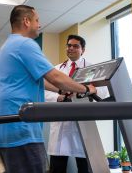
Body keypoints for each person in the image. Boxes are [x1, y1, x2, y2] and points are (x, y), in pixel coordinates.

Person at [0, 5, 97, 173]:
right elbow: (55, 77)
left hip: (8, 126)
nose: (39, 24)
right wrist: (86, 89)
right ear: (26, 21)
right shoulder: (25, 44)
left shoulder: (10, 44)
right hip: (21, 128)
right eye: (37, 20)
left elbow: (41, 80)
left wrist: (61, 91)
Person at [45, 35, 108, 173]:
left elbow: (103, 91)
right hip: (61, 122)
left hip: (83, 121)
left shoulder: (93, 68)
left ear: (83, 50)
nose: (71, 48)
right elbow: (45, 92)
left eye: (75, 46)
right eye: (69, 45)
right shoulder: (57, 69)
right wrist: (59, 97)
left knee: (84, 166)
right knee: (57, 167)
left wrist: (91, 90)